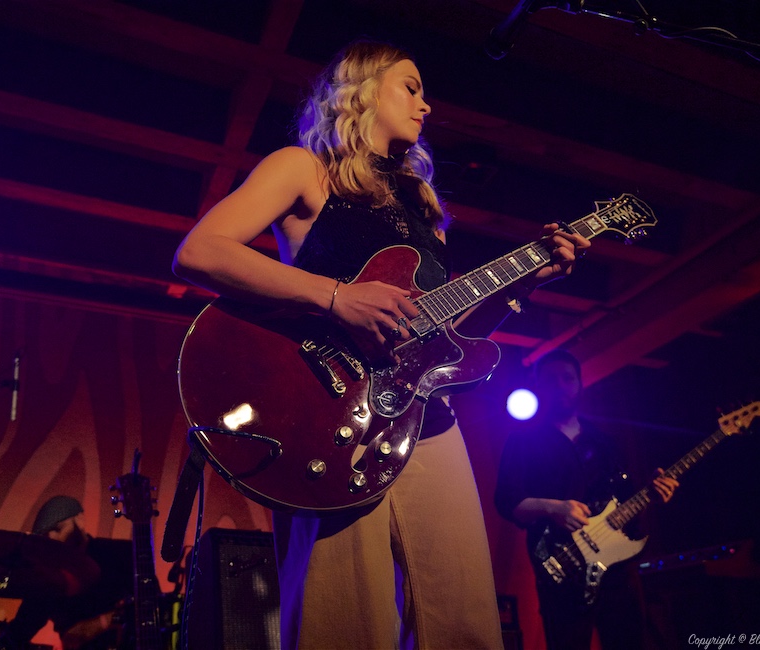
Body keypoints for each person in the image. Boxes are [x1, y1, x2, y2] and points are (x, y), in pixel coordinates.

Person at [171, 40, 588, 649]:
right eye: (410, 87)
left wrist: (529, 280)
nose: (426, 104)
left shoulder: (423, 206)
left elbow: (450, 340)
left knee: (468, 618)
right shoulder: (303, 168)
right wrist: (337, 296)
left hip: (429, 421)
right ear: (361, 90)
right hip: (326, 415)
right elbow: (200, 252)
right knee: (342, 621)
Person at [494, 349, 679, 650]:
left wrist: (653, 491)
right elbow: (506, 501)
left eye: (567, 379)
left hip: (618, 568)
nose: (560, 386)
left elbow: (626, 498)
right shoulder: (523, 440)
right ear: (538, 387)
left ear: (580, 384)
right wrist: (553, 508)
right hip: (563, 565)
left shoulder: (602, 440)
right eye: (551, 380)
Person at [0, 496, 134, 650]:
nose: (52, 538)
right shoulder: (48, 574)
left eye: (57, 529)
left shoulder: (121, 553)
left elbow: (153, 607)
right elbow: (22, 628)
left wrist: (103, 622)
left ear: (80, 520)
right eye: (45, 535)